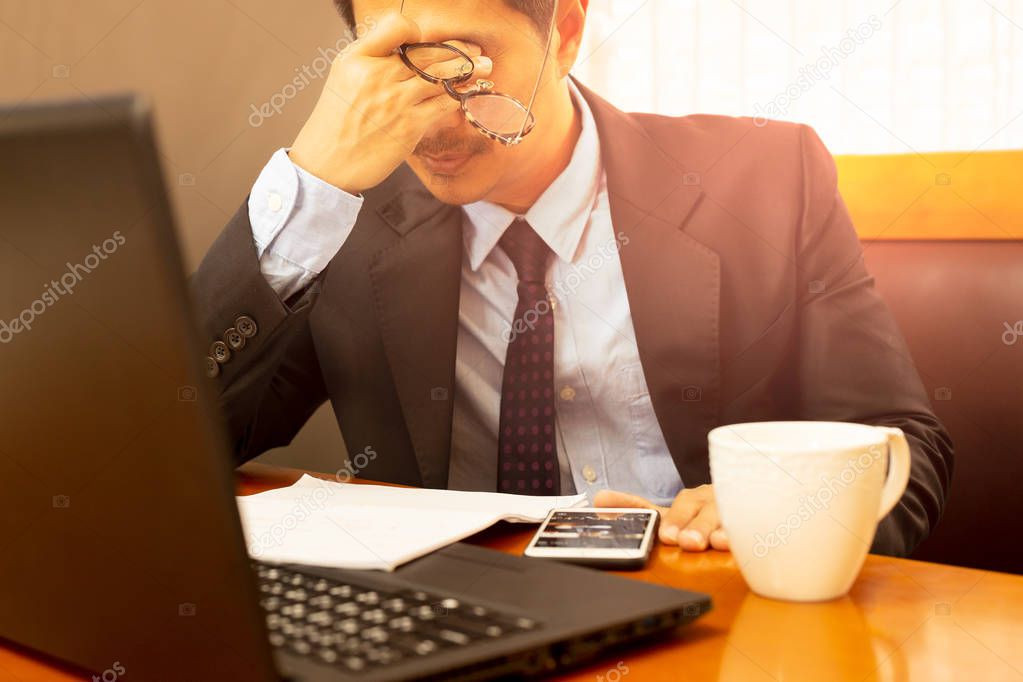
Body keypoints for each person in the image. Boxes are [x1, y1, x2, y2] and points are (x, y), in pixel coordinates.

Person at [193, 0, 953, 557]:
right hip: (459, 621)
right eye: (391, 67)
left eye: (461, 63)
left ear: (564, 32)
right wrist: (312, 181)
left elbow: (901, 445)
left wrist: (781, 511)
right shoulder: (338, 220)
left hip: (716, 606)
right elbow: (174, 443)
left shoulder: (766, 179)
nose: (428, 117)